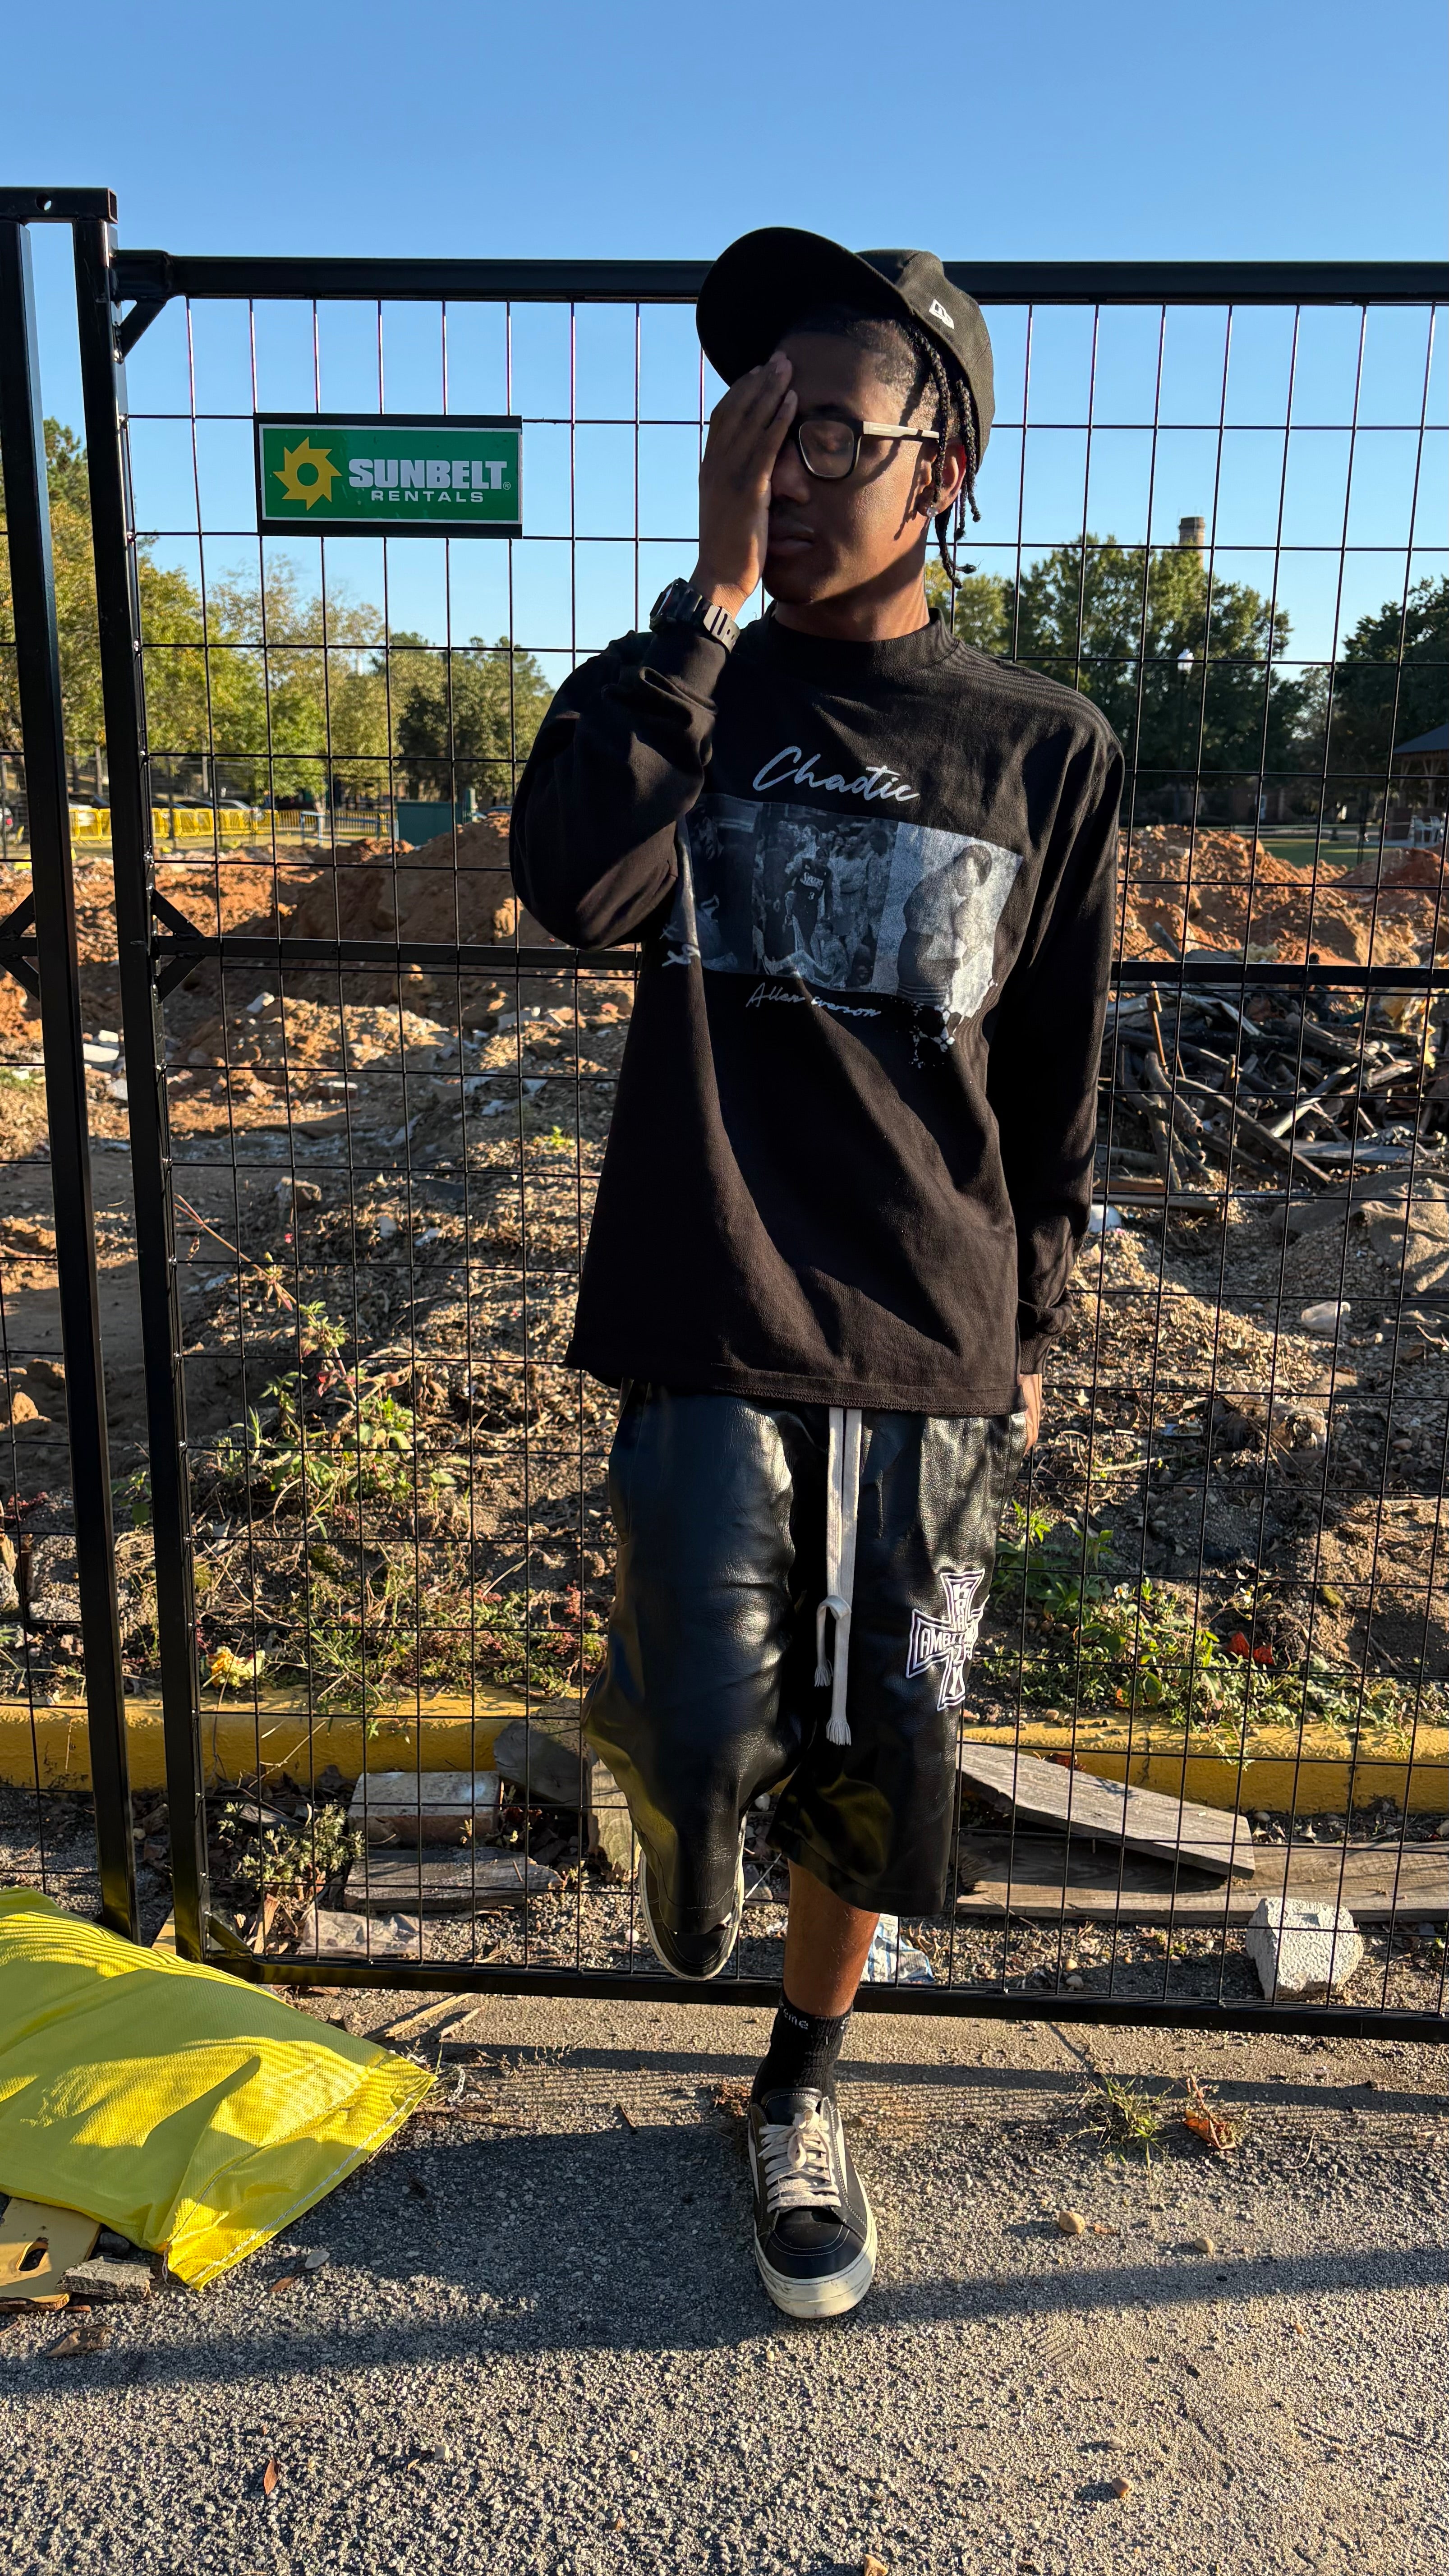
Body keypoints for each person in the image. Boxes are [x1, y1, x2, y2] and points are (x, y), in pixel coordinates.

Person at [511, 227, 1122, 2321]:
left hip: (925, 1326)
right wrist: (703, 610)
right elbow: (577, 887)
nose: (778, 468)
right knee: (699, 1752)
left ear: (942, 470)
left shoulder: (1045, 746)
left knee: (882, 1764)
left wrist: (1031, 1322)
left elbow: (1056, 1070)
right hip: (706, 1299)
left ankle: (800, 2083)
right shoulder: (676, 693)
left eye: (828, 434)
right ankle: (689, 1810)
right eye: (750, 425)